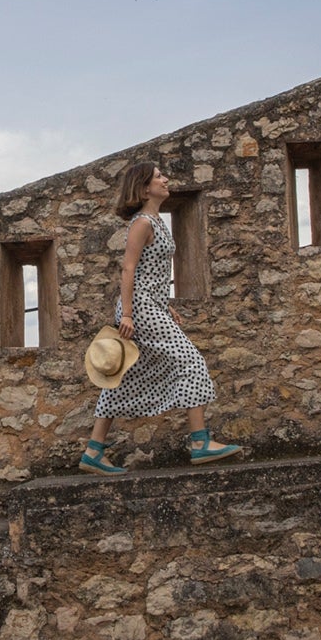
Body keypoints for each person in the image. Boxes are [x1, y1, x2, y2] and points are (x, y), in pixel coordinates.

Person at [79, 162, 242, 475]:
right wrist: (127, 312)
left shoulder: (156, 220)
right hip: (139, 308)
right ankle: (200, 443)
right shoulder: (142, 223)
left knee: (122, 378)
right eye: (158, 177)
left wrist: (165, 304)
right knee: (191, 361)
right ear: (143, 189)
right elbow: (129, 269)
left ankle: (93, 451)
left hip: (150, 305)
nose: (165, 179)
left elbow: (152, 272)